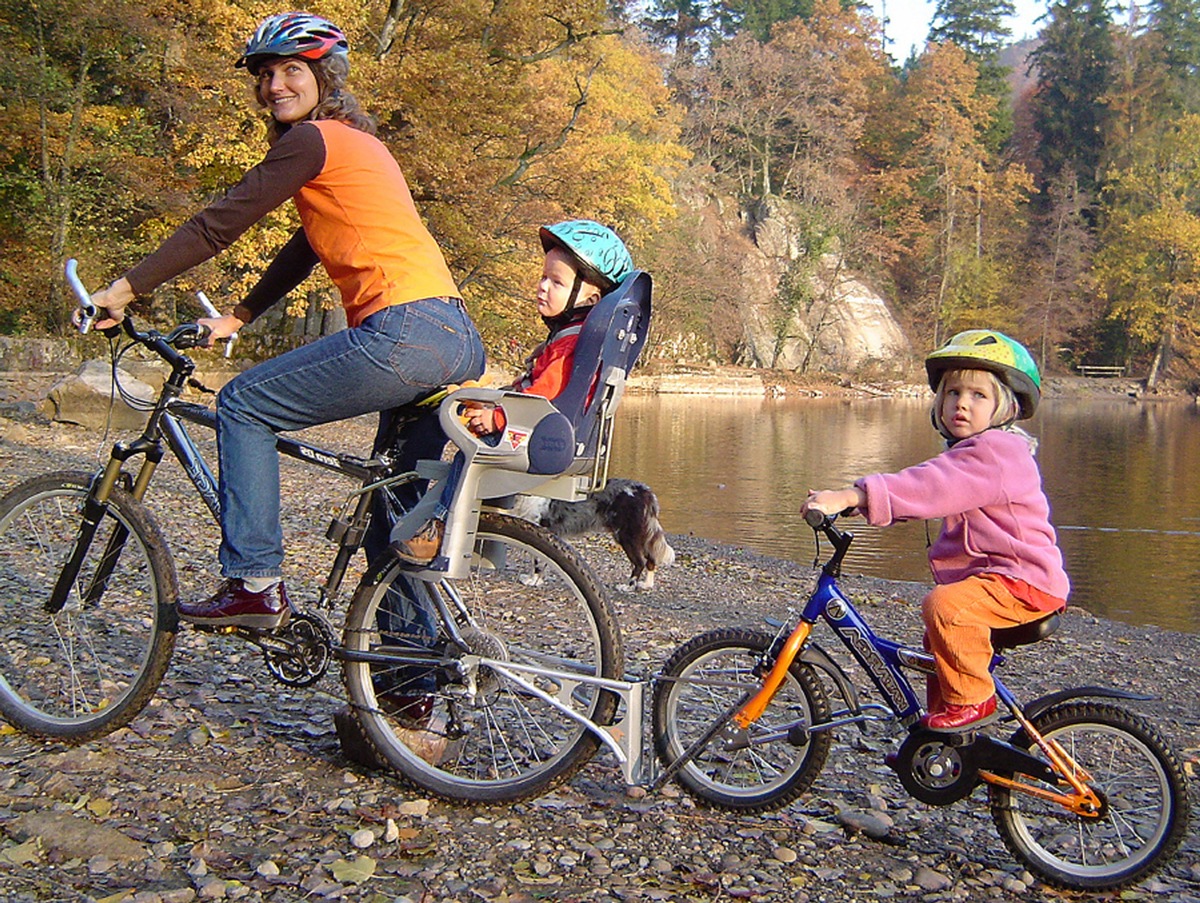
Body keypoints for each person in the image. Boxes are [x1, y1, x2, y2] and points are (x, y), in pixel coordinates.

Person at [82, 12, 486, 629]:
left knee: (243, 405)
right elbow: (305, 245)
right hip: (454, 336)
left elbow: (218, 224)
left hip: (404, 333)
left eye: (291, 70)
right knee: (392, 515)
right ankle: (411, 701)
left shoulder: (313, 139)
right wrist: (239, 315)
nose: (275, 85)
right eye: (265, 74)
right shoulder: (361, 147)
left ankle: (254, 584)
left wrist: (124, 289)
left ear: (324, 75)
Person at [800, 330, 1070, 732]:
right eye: (952, 393)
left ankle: (973, 703)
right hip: (1002, 580)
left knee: (947, 608)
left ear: (1004, 406)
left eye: (978, 395)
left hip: (1022, 583)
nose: (962, 402)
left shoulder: (995, 452)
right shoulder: (975, 453)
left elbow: (930, 486)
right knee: (938, 643)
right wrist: (867, 505)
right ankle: (943, 735)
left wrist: (851, 495)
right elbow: (935, 494)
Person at [391, 219, 634, 565]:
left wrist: (498, 416)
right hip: (560, 439)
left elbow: (545, 393)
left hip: (533, 436)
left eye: (557, 282)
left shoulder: (570, 344)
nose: (542, 287)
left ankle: (441, 529)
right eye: (543, 278)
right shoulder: (578, 338)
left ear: (591, 296)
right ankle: (482, 539)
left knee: (470, 457)